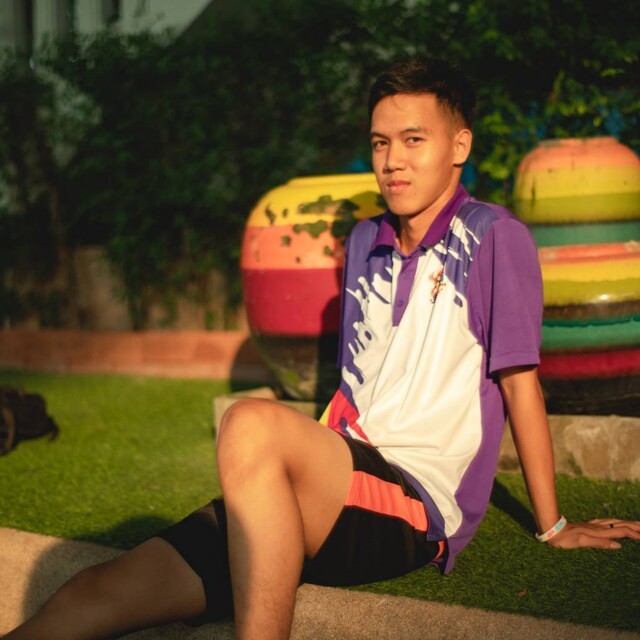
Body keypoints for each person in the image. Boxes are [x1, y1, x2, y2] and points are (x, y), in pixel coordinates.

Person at [5, 58, 639, 640]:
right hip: (337, 474)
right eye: (380, 143)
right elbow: (359, 381)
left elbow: (521, 382)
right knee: (91, 593)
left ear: (459, 146)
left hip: (413, 500)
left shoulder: (494, 236)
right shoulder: (365, 240)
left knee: (248, 422)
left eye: (413, 140)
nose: (392, 161)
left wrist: (554, 525)